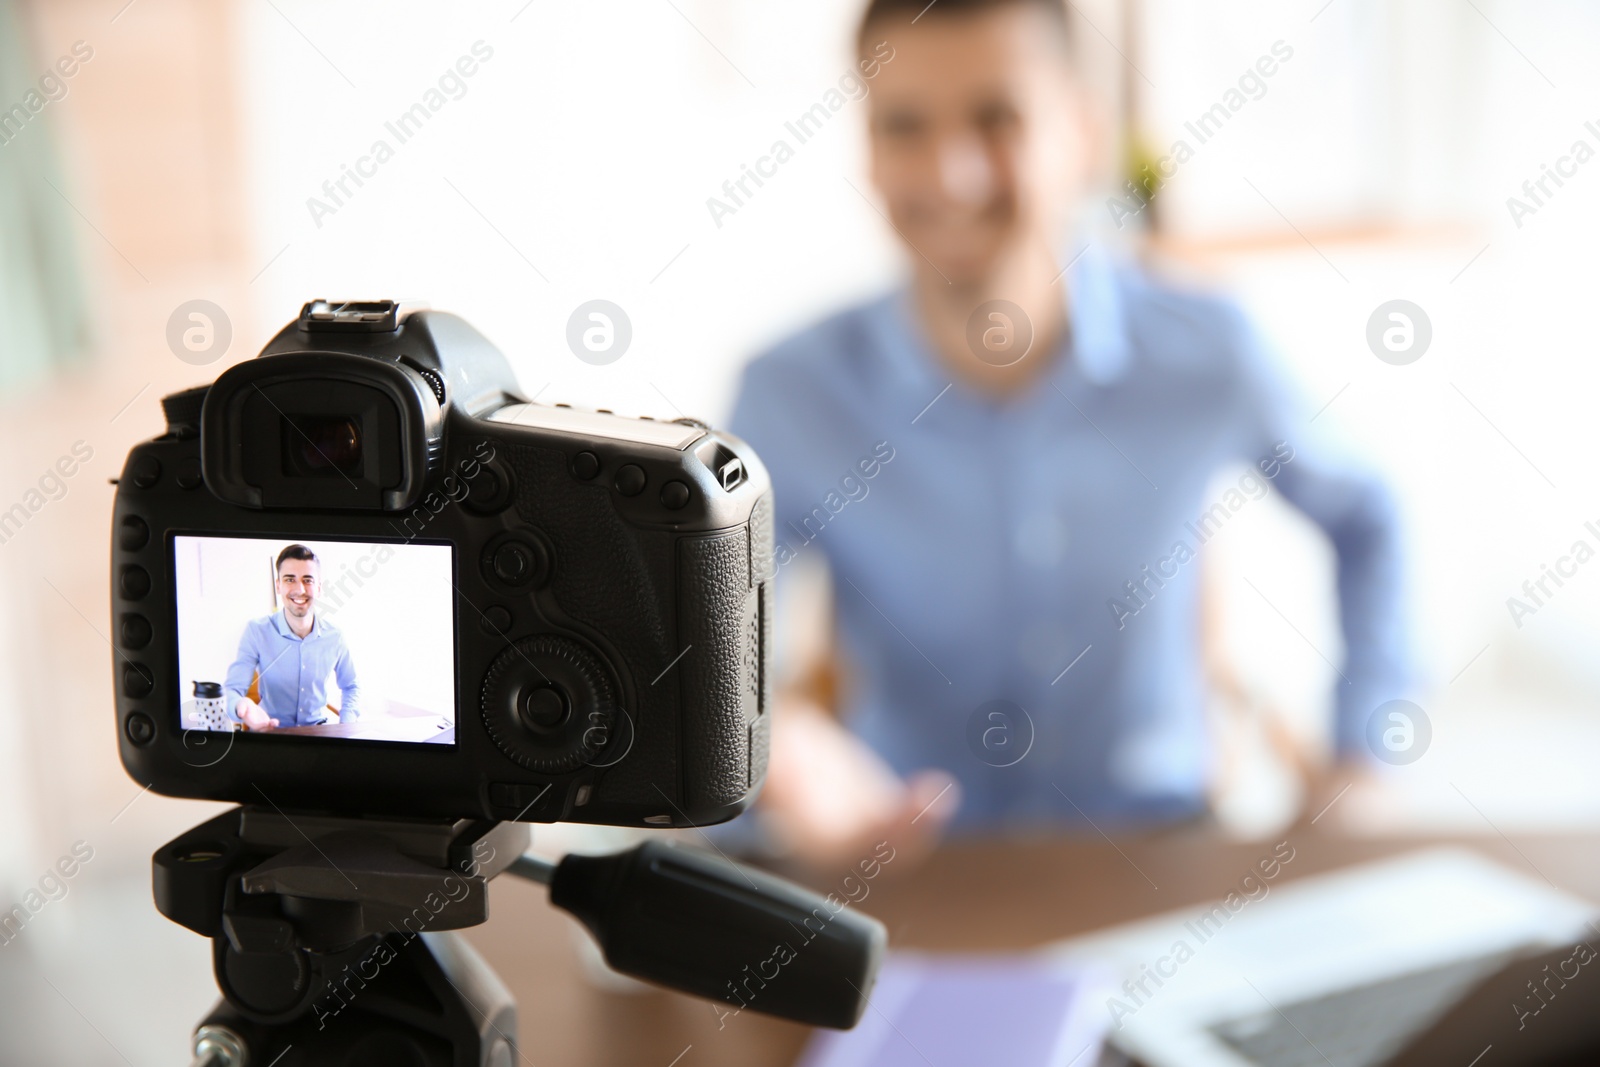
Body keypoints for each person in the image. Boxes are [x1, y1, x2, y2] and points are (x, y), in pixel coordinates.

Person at [728, 0, 1411, 868]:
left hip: (1159, 861)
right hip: (906, 871)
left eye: (998, 118)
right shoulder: (790, 392)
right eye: (905, 126)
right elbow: (706, 650)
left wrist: (1365, 755)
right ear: (866, 149)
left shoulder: (1210, 351)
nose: (953, 175)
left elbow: (1369, 514)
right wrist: (783, 758)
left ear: (1082, 133)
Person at [224, 544, 361, 730]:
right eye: (290, 579)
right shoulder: (256, 631)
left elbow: (351, 686)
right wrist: (241, 706)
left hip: (318, 732)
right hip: (271, 732)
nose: (300, 589)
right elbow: (232, 690)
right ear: (278, 586)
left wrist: (346, 724)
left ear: (319, 587)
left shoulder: (335, 636)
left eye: (307, 580)